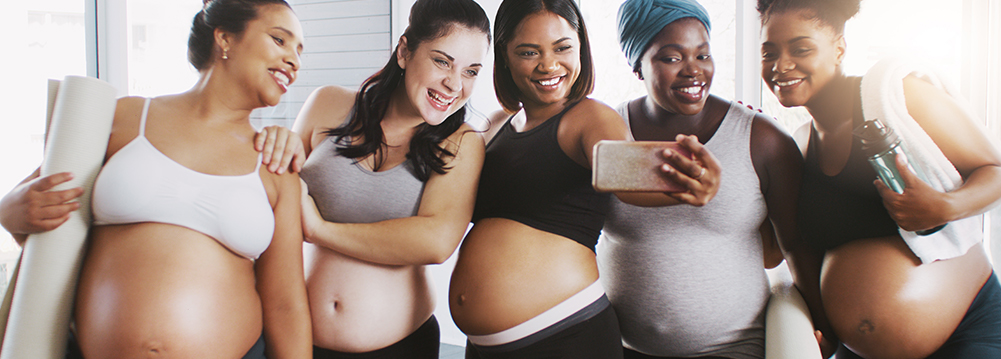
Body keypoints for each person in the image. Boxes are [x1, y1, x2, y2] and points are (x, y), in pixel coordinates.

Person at [0, 0, 311, 357]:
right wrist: (9, 211)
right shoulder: (126, 117)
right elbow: (33, 202)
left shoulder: (275, 164)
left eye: (300, 52)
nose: (295, 61)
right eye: (280, 40)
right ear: (225, 38)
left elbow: (285, 304)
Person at [448, 0, 720, 357]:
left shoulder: (590, 118)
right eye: (529, 52)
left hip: (566, 338)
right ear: (505, 56)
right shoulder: (497, 124)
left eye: (562, 48)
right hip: (484, 347)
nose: (549, 64)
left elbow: (623, 175)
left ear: (581, 47)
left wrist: (689, 182)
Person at [758, 0, 1001, 357]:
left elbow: (995, 173)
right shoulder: (800, 145)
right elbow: (779, 249)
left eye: (801, 48)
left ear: (839, 48)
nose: (781, 65)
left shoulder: (899, 98)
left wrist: (945, 206)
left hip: (965, 333)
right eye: (769, 53)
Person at [255, 0, 489, 357]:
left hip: (401, 347)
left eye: (471, 71)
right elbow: (274, 195)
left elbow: (435, 241)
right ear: (405, 51)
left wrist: (320, 229)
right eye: (442, 61)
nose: (454, 84)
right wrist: (276, 142)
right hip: (297, 339)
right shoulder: (327, 103)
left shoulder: (462, 143)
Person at [598, 0, 801, 358]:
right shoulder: (607, 134)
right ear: (638, 67)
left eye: (703, 55)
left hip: (735, 348)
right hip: (623, 348)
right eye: (672, 58)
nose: (693, 71)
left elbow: (796, 252)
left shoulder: (763, 140)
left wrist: (822, 329)